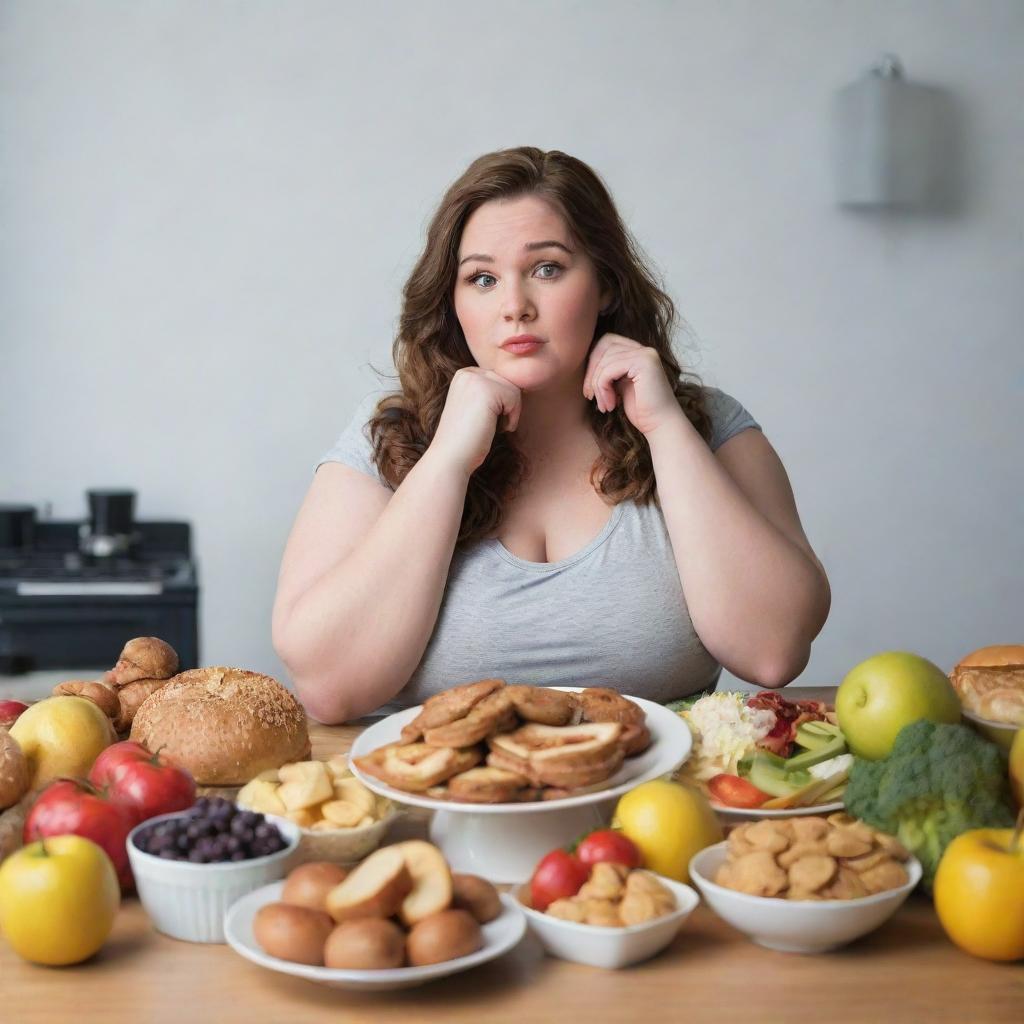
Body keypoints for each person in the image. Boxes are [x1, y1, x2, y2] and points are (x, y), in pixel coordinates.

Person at [272, 147, 831, 724]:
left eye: (547, 269)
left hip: (657, 805)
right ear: (452, 301)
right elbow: (328, 688)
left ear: (607, 284)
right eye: (482, 279)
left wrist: (666, 429)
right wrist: (446, 461)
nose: (515, 307)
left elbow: (773, 651)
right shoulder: (386, 438)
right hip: (436, 803)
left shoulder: (705, 426)